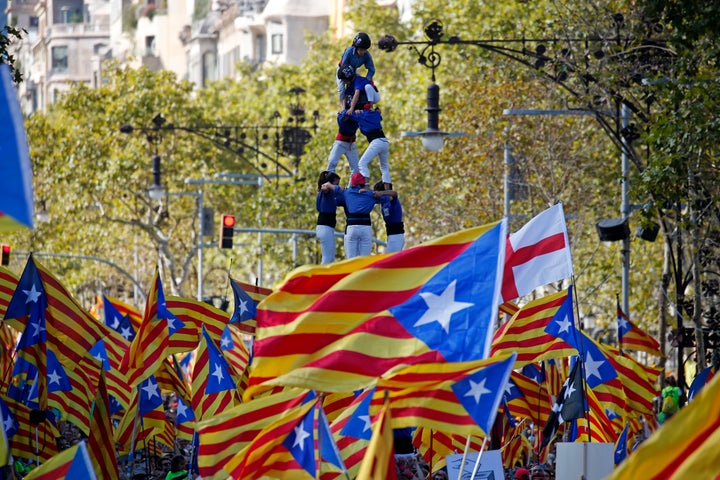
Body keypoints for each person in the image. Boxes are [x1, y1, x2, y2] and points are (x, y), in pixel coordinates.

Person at [324, 172, 394, 259]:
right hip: (365, 228)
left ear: (352, 183)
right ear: (363, 183)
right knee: (364, 260)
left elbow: (328, 185)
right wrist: (378, 193)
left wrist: (336, 187)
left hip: (352, 227)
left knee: (351, 259)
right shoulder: (371, 194)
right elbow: (391, 197)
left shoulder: (347, 192)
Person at [336, 32, 376, 110]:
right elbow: (344, 67)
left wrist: (368, 78)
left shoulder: (367, 55)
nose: (363, 52)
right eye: (361, 49)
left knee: (358, 86)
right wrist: (348, 81)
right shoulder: (349, 52)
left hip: (353, 70)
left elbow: (371, 69)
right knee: (341, 89)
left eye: (365, 50)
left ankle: (357, 105)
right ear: (356, 47)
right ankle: (343, 108)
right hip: (343, 70)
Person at [354, 107, 391, 186]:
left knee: (362, 163)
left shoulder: (361, 115)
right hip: (384, 141)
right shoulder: (375, 113)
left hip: (376, 141)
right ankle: (387, 188)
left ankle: (366, 185)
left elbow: (348, 115)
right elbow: (379, 112)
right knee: (384, 167)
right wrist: (376, 110)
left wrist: (355, 111)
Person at [316, 171, 344, 264]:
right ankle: (322, 278)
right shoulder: (326, 192)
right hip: (325, 227)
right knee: (328, 259)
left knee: (329, 257)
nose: (337, 186)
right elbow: (326, 188)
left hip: (325, 227)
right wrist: (329, 186)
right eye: (336, 183)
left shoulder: (329, 195)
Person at [326, 109, 360, 176]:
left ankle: (352, 186)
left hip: (351, 145)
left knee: (356, 168)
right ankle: (329, 183)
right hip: (340, 143)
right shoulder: (342, 117)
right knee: (331, 162)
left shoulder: (357, 116)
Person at [373, 181, 404, 253]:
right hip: (390, 235)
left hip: (397, 235)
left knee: (392, 262)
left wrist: (382, 193)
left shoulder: (392, 200)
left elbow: (394, 193)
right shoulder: (383, 203)